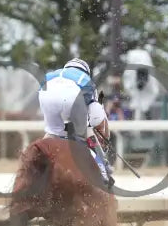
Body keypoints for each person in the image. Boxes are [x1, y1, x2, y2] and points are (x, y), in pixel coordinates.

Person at [38, 57, 114, 186]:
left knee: (52, 132)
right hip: (71, 97)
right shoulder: (86, 80)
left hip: (45, 95)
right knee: (86, 131)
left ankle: (37, 162)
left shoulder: (54, 73)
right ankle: (104, 170)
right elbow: (96, 111)